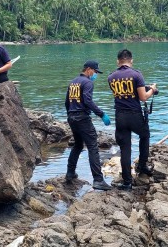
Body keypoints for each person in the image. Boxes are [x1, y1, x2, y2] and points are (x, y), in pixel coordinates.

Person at [107, 49, 158, 190]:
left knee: (125, 149)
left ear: (118, 61)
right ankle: (142, 166)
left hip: (120, 116)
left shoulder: (111, 77)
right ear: (131, 60)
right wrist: (152, 89)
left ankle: (127, 182)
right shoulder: (136, 74)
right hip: (134, 114)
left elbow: (123, 91)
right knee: (144, 136)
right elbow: (143, 97)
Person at [64, 60, 112, 191]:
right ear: (89, 69)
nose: (96, 74)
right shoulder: (88, 82)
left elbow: (67, 102)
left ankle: (70, 173)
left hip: (72, 117)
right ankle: (98, 180)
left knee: (78, 145)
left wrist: (71, 115)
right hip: (82, 118)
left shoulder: (73, 81)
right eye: (95, 71)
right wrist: (101, 114)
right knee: (92, 147)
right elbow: (88, 100)